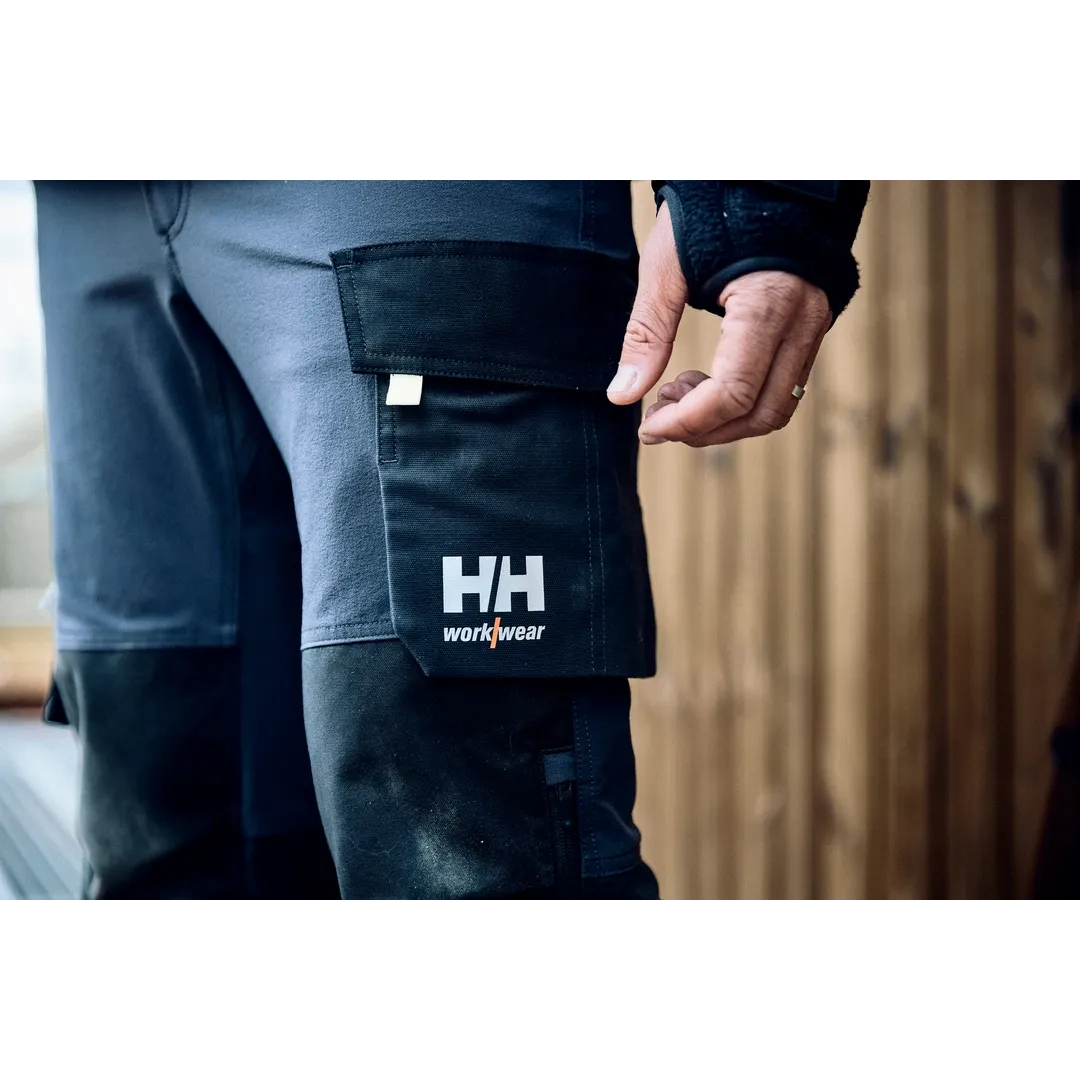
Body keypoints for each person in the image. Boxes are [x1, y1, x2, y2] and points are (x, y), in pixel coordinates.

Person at [33, 178, 868, 902]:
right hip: (89, 210)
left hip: (414, 185)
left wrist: (769, 194)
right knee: (162, 833)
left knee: (466, 858)